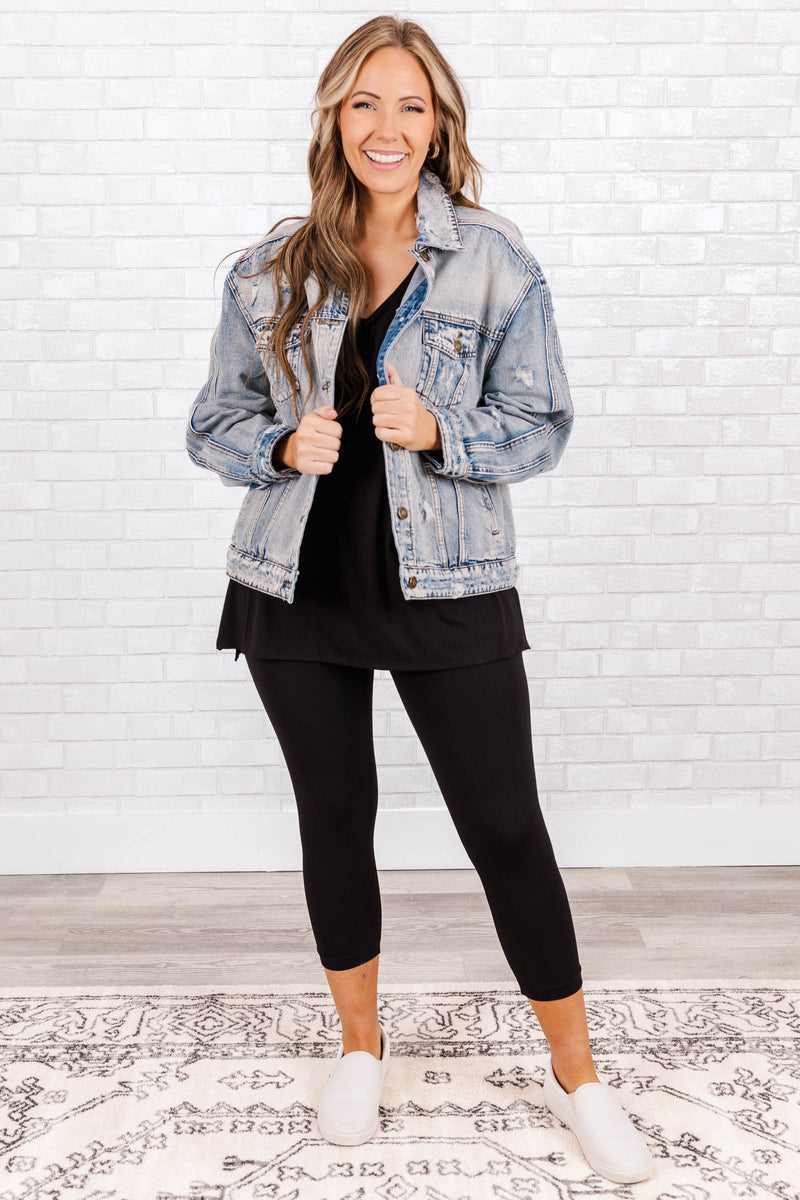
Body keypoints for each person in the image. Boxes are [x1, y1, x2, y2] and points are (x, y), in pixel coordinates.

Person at [186, 15, 654, 1186]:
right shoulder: (270, 270)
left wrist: (441, 427)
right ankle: (357, 1047)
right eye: (362, 104)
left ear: (438, 124)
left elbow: (542, 425)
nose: (385, 129)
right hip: (295, 588)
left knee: (504, 827)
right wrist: (278, 448)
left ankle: (577, 1077)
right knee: (333, 821)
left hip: (448, 583)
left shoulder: (494, 262)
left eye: (410, 106)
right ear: (332, 120)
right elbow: (212, 426)